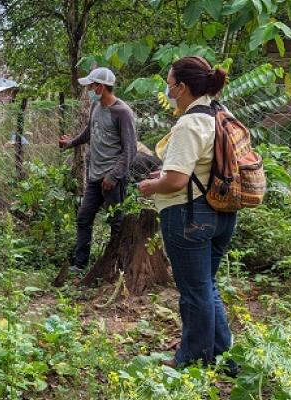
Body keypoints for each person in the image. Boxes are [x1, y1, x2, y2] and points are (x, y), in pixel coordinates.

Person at [138, 56, 236, 369]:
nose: (168, 92)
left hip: (189, 216)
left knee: (194, 293)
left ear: (182, 88)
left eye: (169, 86)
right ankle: (225, 358)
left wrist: (151, 187)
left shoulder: (189, 123)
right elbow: (199, 169)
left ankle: (191, 361)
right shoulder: (221, 114)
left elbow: (177, 180)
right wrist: (163, 176)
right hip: (223, 212)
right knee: (206, 286)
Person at [58, 67, 137, 274]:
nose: (89, 90)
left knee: (115, 222)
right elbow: (90, 132)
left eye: (91, 86)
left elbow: (130, 150)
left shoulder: (122, 112)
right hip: (95, 176)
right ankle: (80, 264)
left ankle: (117, 265)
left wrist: (114, 175)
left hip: (112, 178)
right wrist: (71, 143)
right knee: (84, 217)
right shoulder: (96, 106)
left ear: (101, 87)